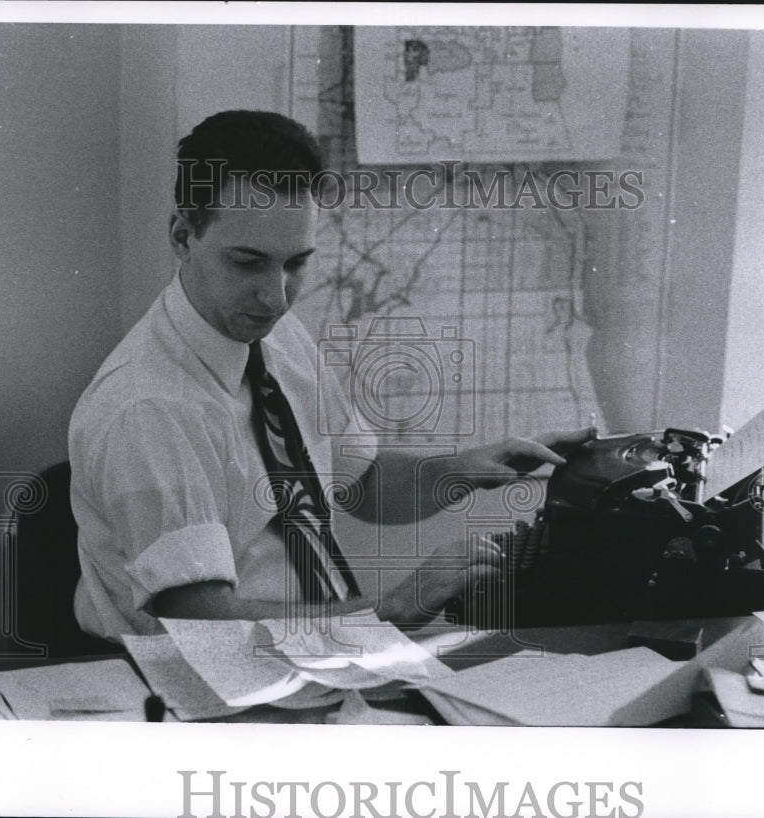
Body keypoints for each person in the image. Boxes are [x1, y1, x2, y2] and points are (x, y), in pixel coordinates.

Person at [69, 110, 595, 642]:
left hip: (317, 658)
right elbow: (199, 620)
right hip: (200, 685)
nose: (276, 296)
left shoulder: (272, 335)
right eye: (248, 262)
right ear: (183, 237)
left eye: (296, 263)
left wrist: (471, 467)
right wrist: (391, 610)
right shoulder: (149, 407)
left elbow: (355, 482)